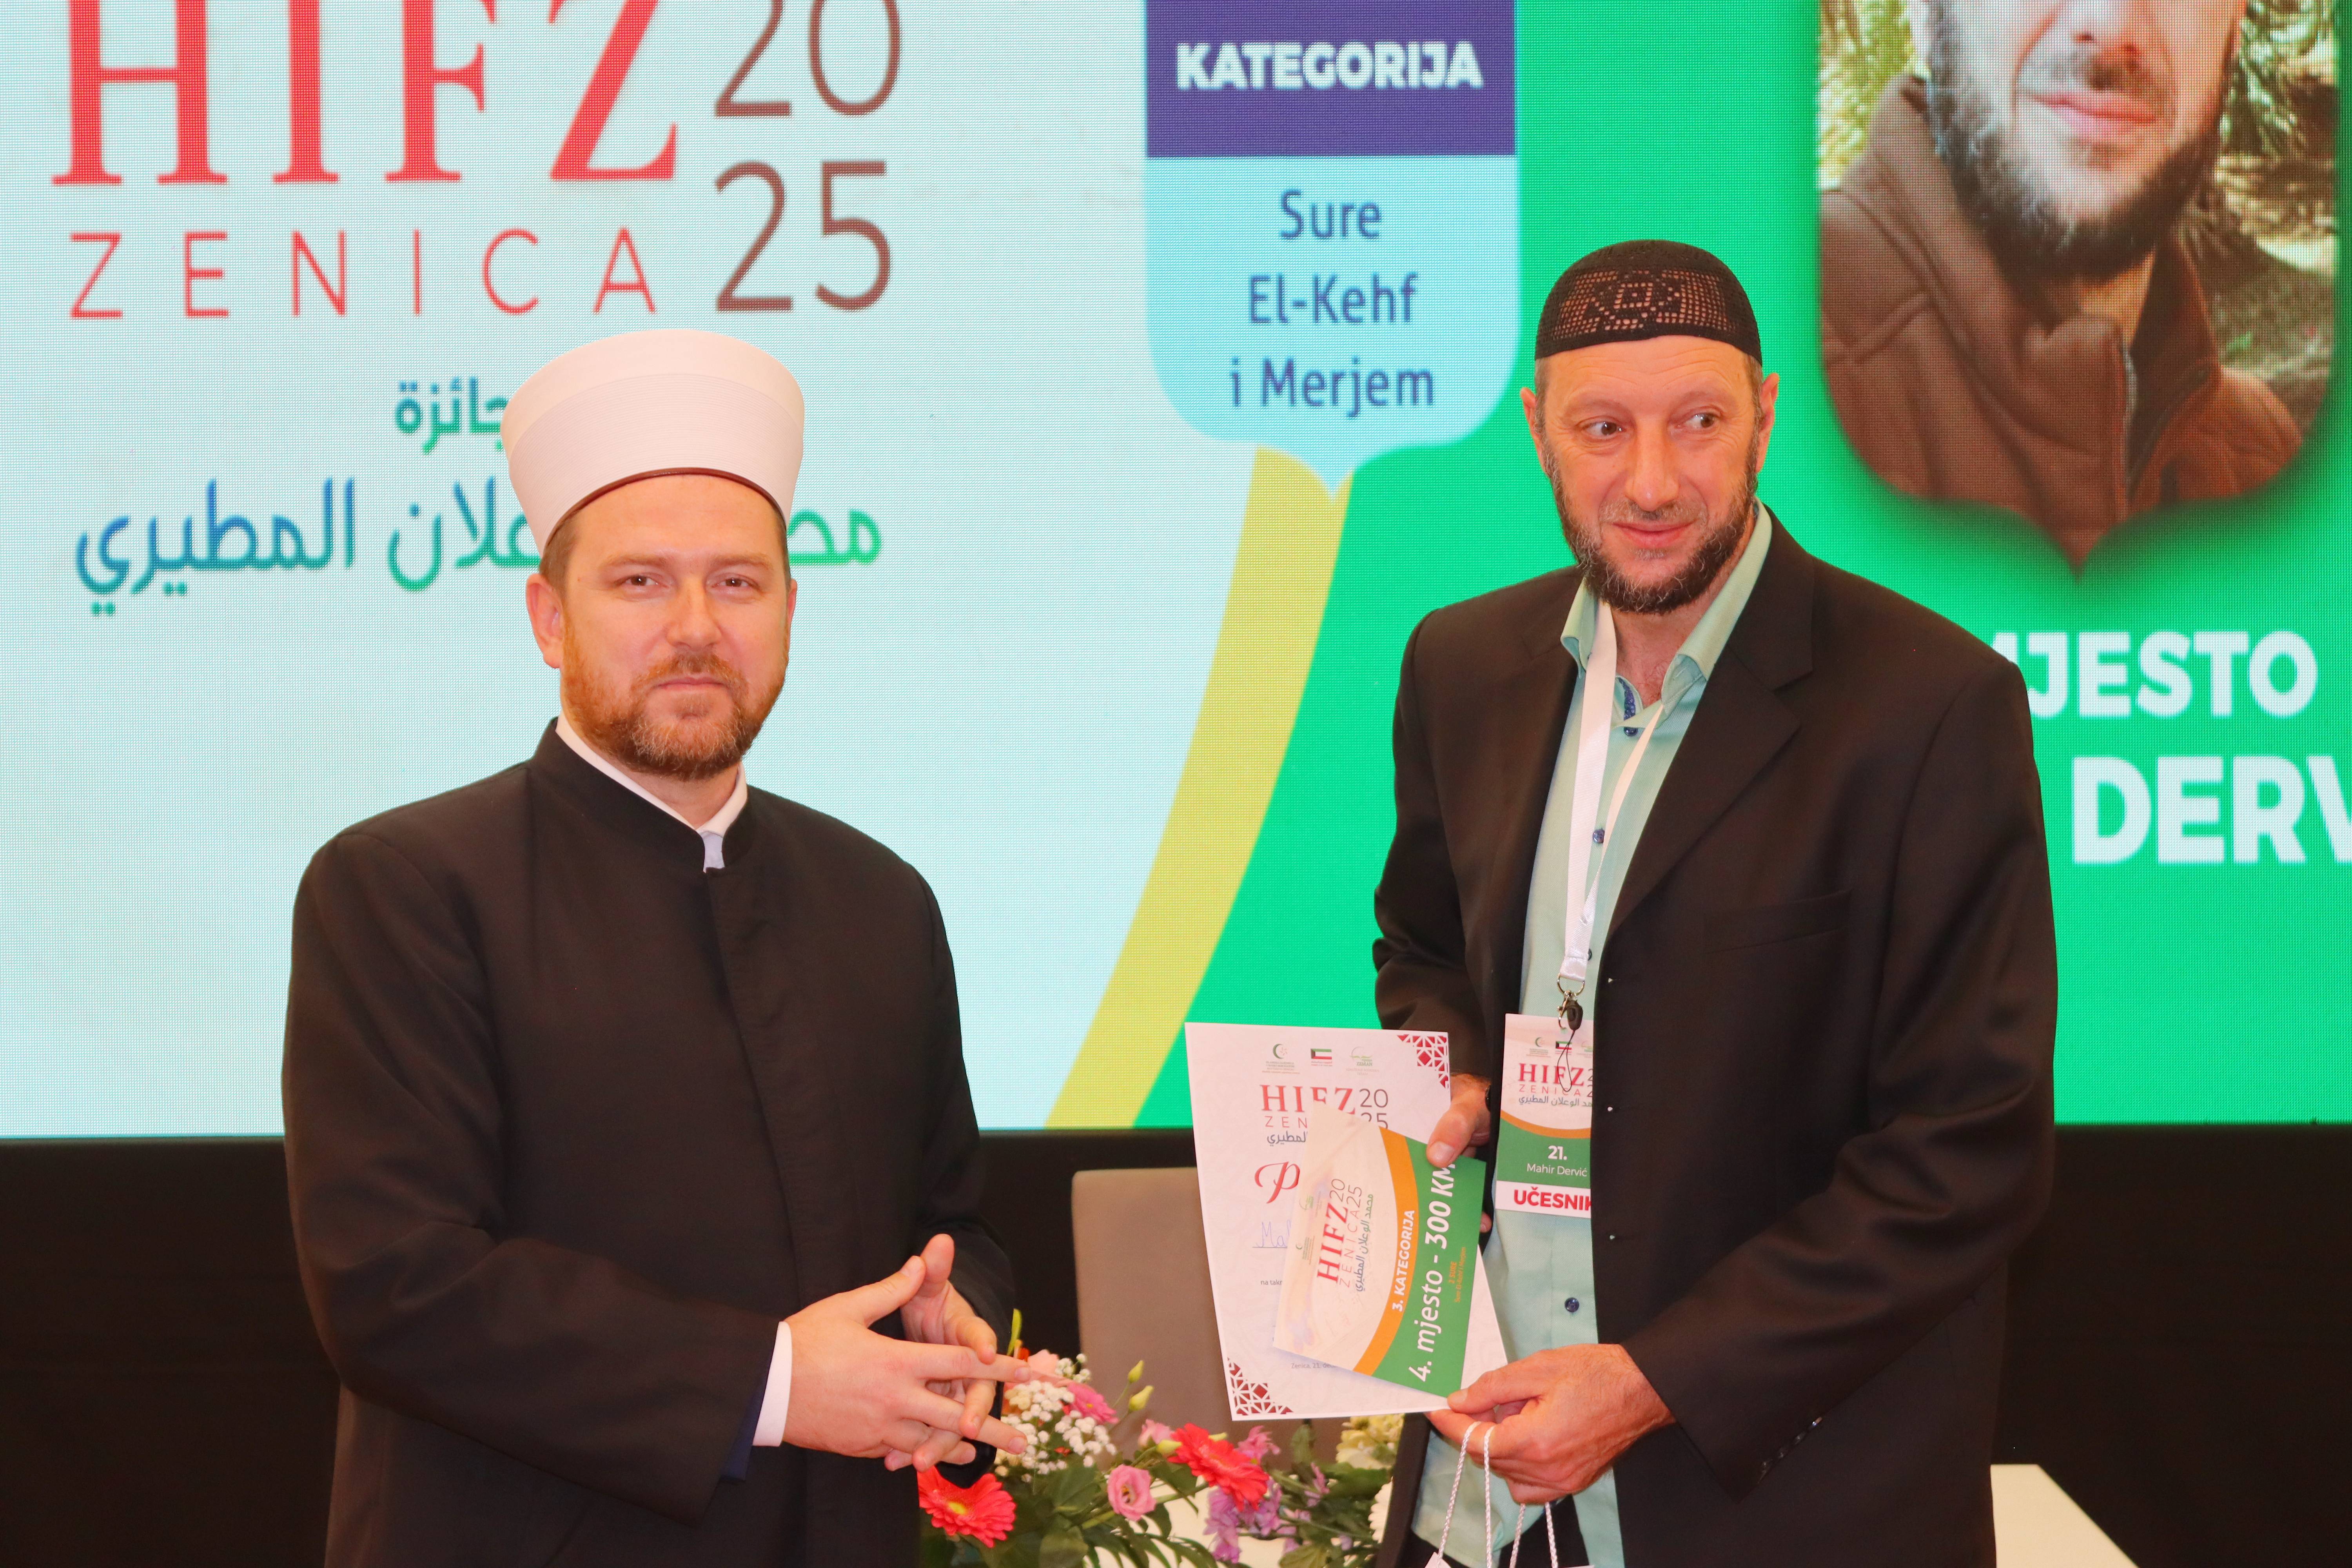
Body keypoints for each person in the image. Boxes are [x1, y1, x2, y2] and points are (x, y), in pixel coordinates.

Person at [282, 328, 1031, 1567]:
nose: (695, 628)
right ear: (548, 616)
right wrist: (775, 1383)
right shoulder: (407, 887)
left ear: (790, 609)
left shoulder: (880, 899)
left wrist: (956, 1327)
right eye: (640, 583)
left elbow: (957, 1222)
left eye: (737, 583)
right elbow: (396, 1285)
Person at [1370, 242, 2057, 1567]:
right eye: (1603, 430)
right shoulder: (1460, 666)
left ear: (1765, 416)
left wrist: (1650, 1384)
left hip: (1779, 1504)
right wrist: (1453, 1066)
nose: (1651, 482)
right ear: (1538, 430)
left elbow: (1966, 1153)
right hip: (1485, 1485)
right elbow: (1425, 946)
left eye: (1697, 422)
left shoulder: (1929, 708)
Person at [1822, 0, 2301, 569]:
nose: (2110, 23)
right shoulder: (1776, 376)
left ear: (2234, 28)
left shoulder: (2265, 467)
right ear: (1926, 12)